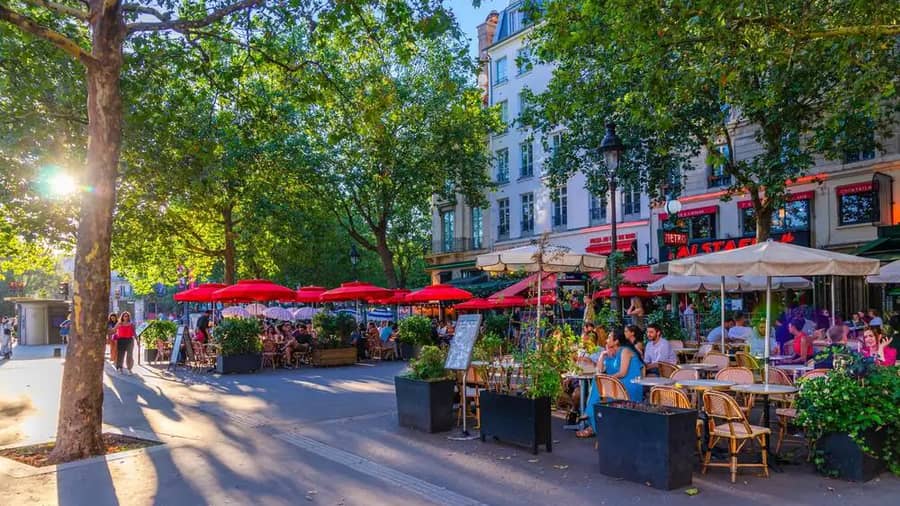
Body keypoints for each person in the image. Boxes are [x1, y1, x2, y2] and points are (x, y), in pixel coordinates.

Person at [576, 330, 644, 438]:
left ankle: (590, 418)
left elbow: (623, 372)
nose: (607, 340)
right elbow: (599, 370)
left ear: (616, 341)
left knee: (598, 382)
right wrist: (603, 355)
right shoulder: (611, 352)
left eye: (609, 337)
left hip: (629, 385)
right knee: (597, 380)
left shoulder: (625, 351)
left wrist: (607, 379)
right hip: (617, 384)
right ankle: (593, 423)